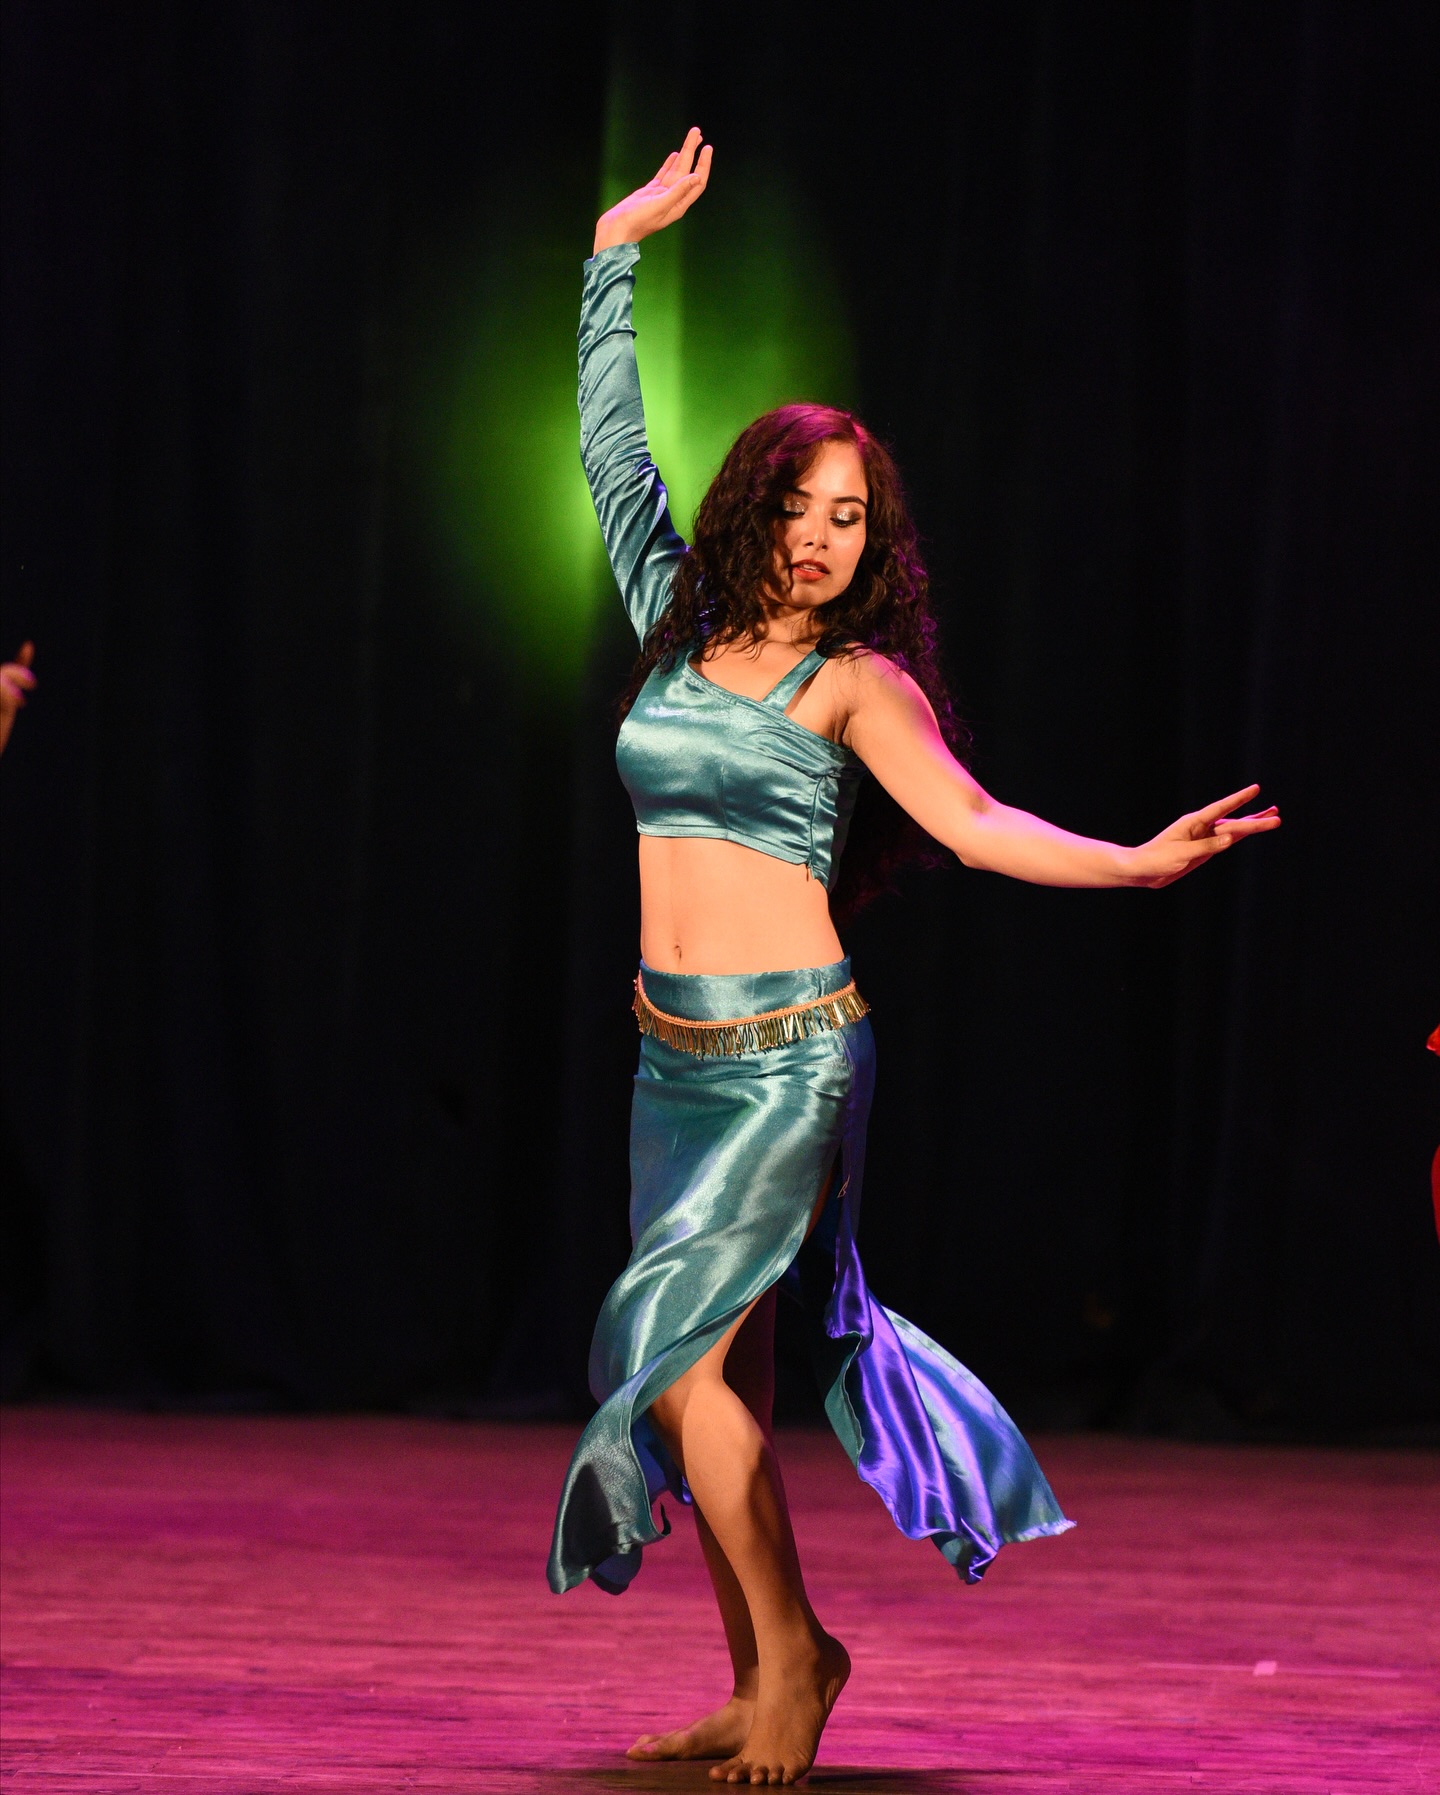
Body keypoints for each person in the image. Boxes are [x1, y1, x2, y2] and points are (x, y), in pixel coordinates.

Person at [547, 130, 1280, 1788]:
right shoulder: (673, 622)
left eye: (851, 520)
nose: (821, 538)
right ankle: (756, 1676)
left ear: (875, 546)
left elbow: (975, 823)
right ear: (752, 508)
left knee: (671, 1373)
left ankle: (801, 1657)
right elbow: (609, 443)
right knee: (712, 1375)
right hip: (671, 1062)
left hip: (790, 1062)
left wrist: (1135, 861)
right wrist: (612, 250)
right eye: (800, 508)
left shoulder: (857, 684)